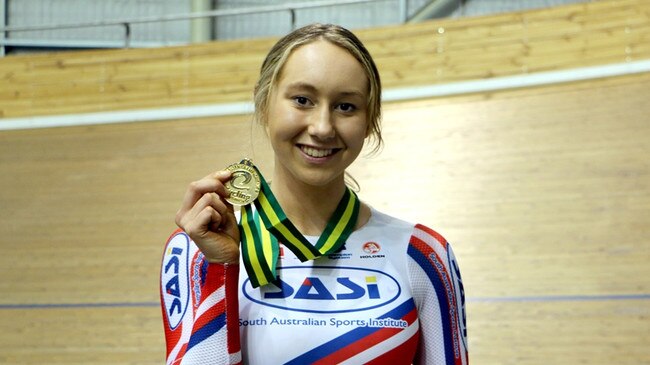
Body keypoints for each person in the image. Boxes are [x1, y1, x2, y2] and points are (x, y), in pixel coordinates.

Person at [160, 23, 468, 364]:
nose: (322, 128)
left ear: (370, 121)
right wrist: (221, 266)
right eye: (302, 100)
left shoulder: (422, 254)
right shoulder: (194, 247)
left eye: (346, 107)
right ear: (263, 103)